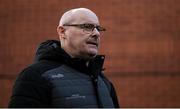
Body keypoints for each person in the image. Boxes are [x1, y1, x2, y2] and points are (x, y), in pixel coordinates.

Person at [8, 8, 120, 108]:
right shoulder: (35, 76)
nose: (96, 34)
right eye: (87, 27)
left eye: (98, 28)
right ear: (62, 32)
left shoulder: (103, 81)